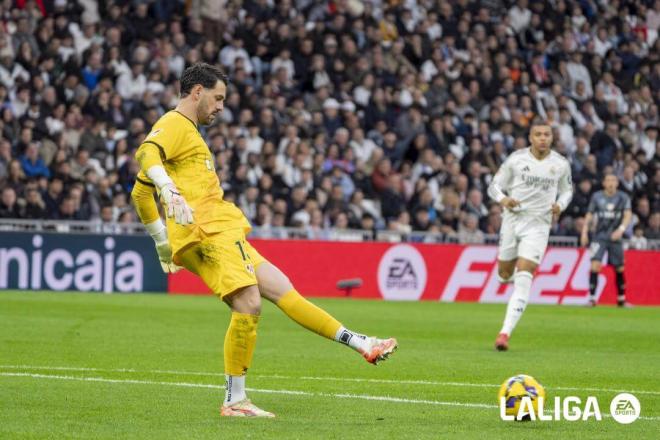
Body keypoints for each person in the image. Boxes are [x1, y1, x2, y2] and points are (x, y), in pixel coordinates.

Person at [130, 63, 397, 418]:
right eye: (218, 97)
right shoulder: (175, 124)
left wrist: (162, 241)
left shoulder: (189, 135)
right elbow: (147, 153)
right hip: (206, 231)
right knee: (249, 304)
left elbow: (139, 193)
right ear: (197, 92)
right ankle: (235, 401)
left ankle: (361, 343)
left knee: (282, 288)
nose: (221, 106)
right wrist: (169, 191)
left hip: (217, 229)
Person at [487, 121, 573, 351]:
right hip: (512, 221)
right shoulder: (516, 159)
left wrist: (561, 204)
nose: (543, 138)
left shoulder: (561, 164)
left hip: (539, 225)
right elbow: (493, 186)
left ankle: (504, 334)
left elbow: (567, 190)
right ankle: (511, 279)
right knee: (505, 275)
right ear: (530, 137)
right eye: (538, 134)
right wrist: (504, 200)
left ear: (552, 138)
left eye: (547, 134)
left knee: (524, 277)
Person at [580, 174, 632, 307]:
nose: (611, 183)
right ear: (603, 183)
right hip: (599, 237)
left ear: (617, 183)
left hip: (615, 237)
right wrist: (584, 232)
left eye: (613, 180)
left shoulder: (623, 197)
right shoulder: (597, 196)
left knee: (619, 268)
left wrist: (620, 230)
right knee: (595, 265)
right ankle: (592, 298)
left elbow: (627, 215)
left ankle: (621, 299)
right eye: (608, 180)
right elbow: (589, 214)